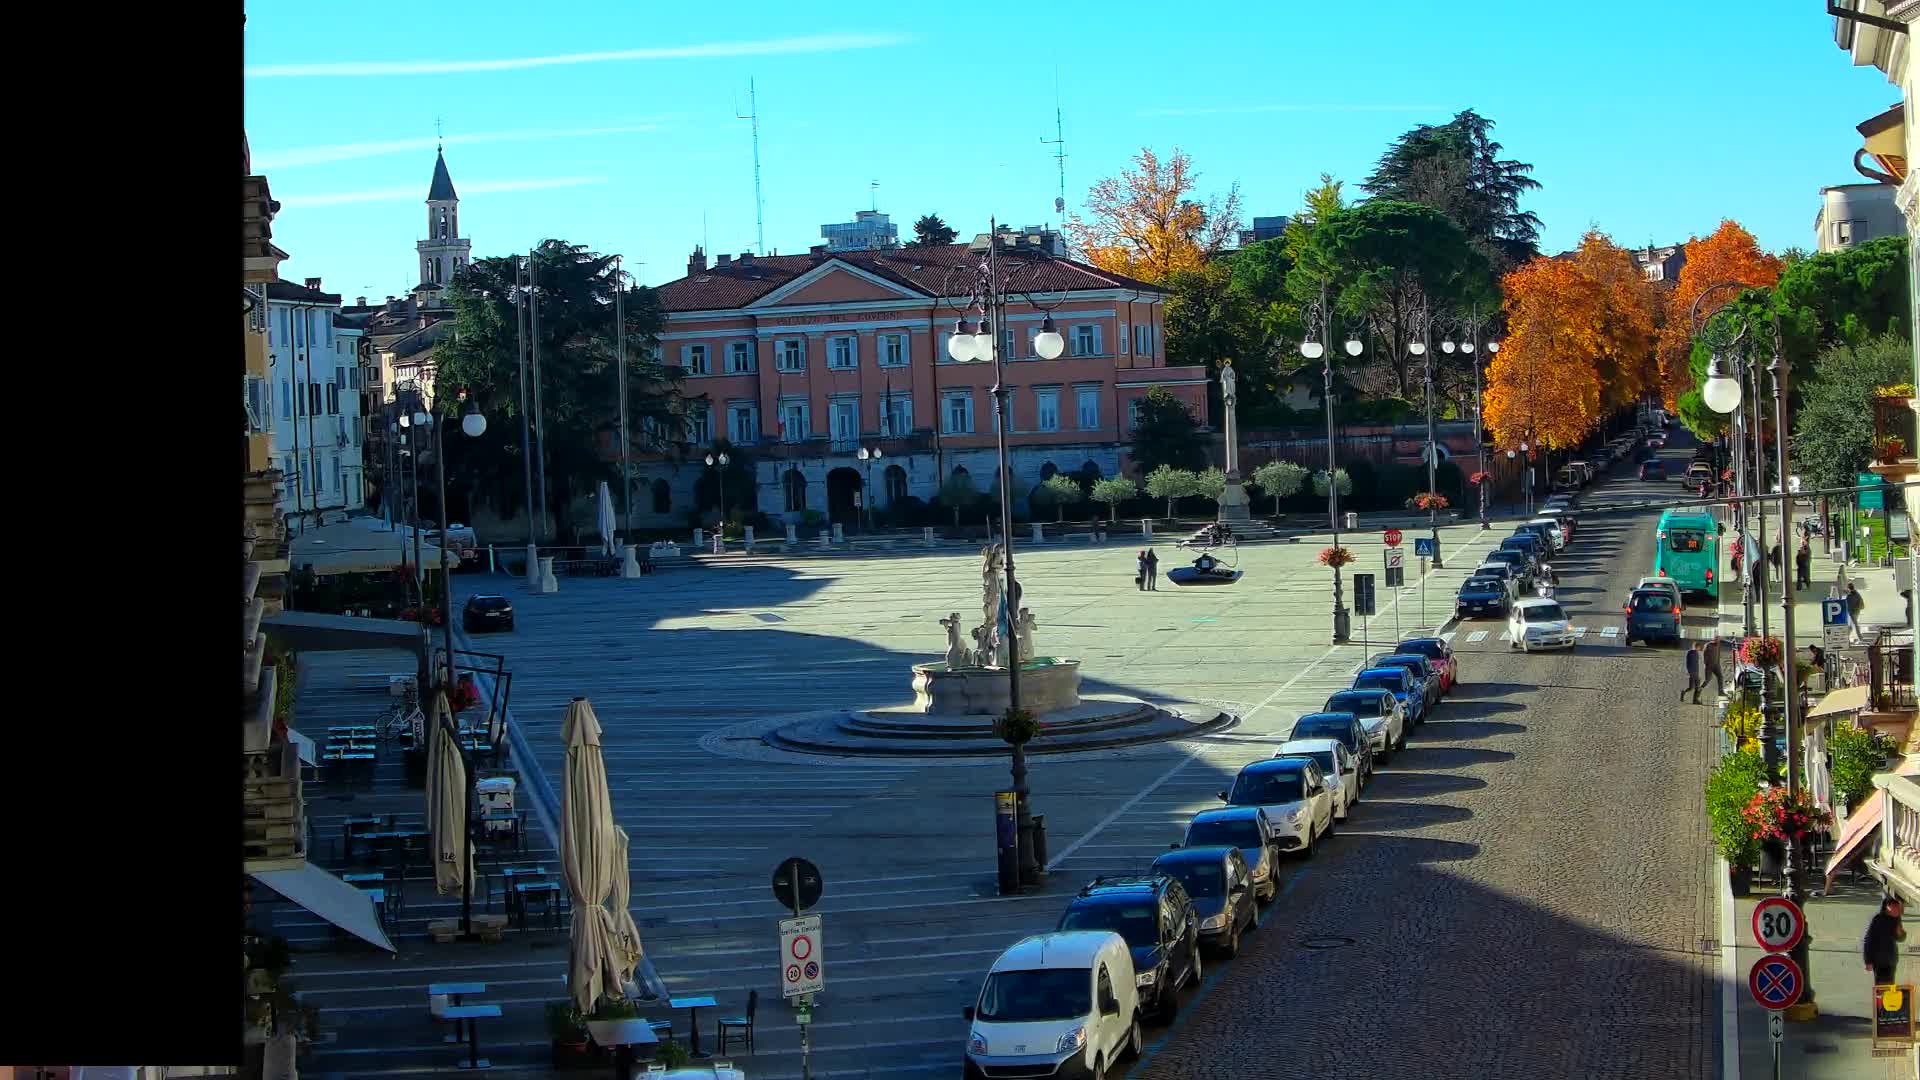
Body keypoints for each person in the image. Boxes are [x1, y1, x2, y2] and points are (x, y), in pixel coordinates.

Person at [1864, 895, 1906, 985]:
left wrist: (1900, 933)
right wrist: (1868, 961)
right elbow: (1868, 940)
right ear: (1888, 906)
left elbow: (1901, 938)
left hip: (1891, 960)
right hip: (1879, 961)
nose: (1899, 910)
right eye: (1896, 908)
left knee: (1890, 986)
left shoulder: (1896, 919)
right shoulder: (1877, 920)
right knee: (1881, 986)